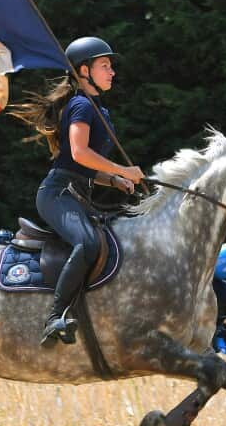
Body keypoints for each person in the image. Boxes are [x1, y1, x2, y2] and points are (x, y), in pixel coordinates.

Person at [9, 36, 145, 346]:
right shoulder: (82, 105)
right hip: (57, 194)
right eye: (105, 66)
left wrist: (113, 181)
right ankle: (55, 316)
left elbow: (83, 167)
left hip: (77, 192)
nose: (112, 72)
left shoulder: (98, 109)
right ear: (84, 71)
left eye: (110, 67)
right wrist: (122, 170)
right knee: (87, 242)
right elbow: (79, 152)